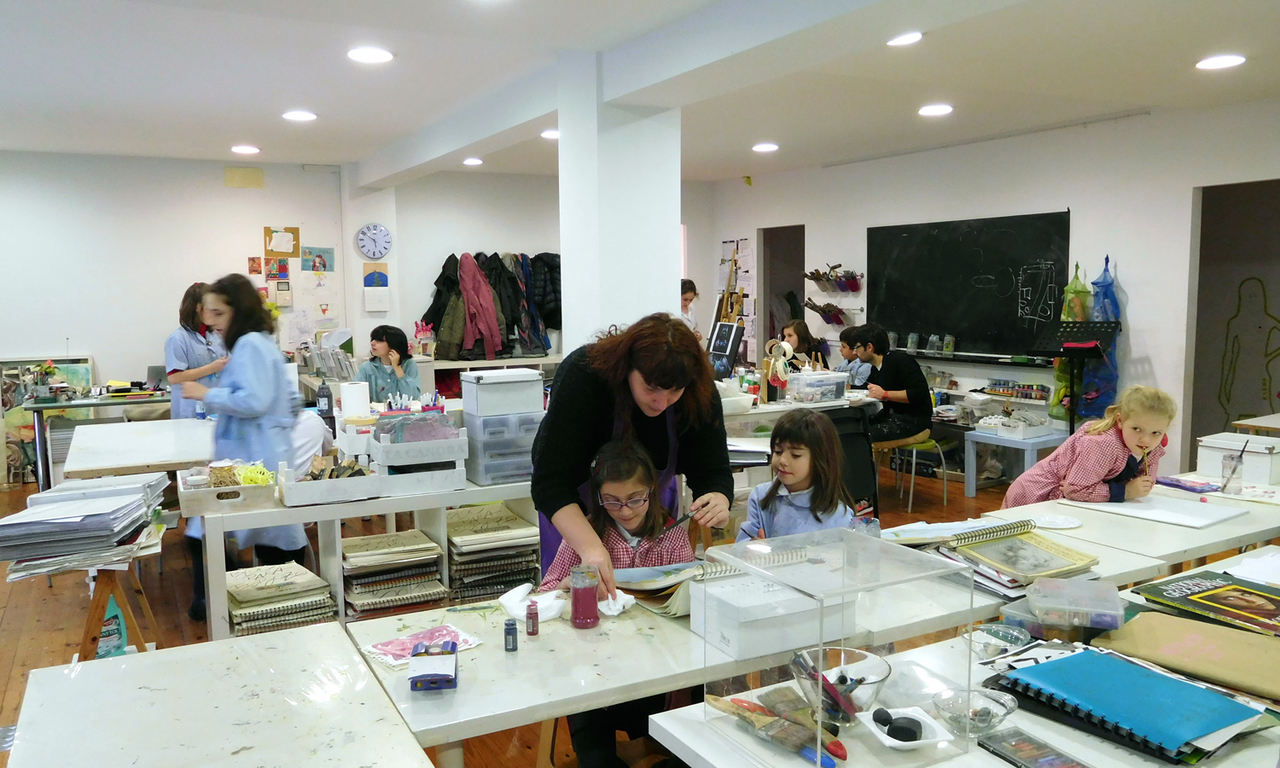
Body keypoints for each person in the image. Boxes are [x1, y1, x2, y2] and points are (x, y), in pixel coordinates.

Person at [532, 313, 733, 599]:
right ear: (628, 367)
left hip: (648, 511)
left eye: (674, 391)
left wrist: (718, 499)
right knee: (574, 601)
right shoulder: (585, 375)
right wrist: (590, 547)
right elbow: (550, 484)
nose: (662, 402)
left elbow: (713, 471)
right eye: (651, 388)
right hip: (573, 512)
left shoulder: (696, 388)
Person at [538, 439, 694, 767]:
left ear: (652, 490)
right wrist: (568, 586)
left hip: (656, 673)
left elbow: (687, 598)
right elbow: (545, 594)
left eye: (635, 499)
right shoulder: (587, 536)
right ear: (598, 497)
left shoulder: (672, 534)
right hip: (593, 677)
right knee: (598, 760)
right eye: (612, 501)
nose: (625, 510)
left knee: (694, 749)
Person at [182, 274, 304, 619]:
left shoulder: (250, 344)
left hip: (256, 457)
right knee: (265, 534)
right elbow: (290, 400)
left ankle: (220, 600)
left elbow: (254, 400)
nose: (211, 322)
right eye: (208, 313)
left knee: (211, 532)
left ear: (239, 310)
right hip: (260, 453)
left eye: (219, 313)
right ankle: (238, 598)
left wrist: (207, 394)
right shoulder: (261, 342)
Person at [1001, 385, 1177, 508]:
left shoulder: (1154, 446)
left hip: (1066, 504)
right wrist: (1125, 491)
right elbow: (1076, 490)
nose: (1146, 440)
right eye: (1137, 429)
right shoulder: (1102, 443)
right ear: (1120, 421)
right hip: (1035, 496)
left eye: (1156, 433)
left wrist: (1134, 488)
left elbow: (1145, 484)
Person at [737, 409, 857, 540]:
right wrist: (751, 546)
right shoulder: (760, 496)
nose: (783, 461)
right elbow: (742, 544)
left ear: (820, 459)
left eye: (795, 455)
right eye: (778, 451)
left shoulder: (838, 517)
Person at [847, 322, 932, 442]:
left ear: (869, 347)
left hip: (914, 421)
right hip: (890, 416)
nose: (854, 352)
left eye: (856, 347)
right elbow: (866, 389)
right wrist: (846, 386)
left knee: (860, 438)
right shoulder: (876, 368)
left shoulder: (900, 361)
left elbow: (919, 394)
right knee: (852, 428)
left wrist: (885, 394)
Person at [165, 282, 228, 420]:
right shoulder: (178, 338)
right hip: (190, 410)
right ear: (198, 308)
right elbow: (174, 377)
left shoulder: (216, 334)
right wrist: (212, 368)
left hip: (216, 407)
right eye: (211, 308)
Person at [356, 325, 422, 403]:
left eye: (379, 340)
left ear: (393, 344)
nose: (372, 343)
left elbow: (413, 397)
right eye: (373, 339)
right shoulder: (367, 367)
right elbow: (356, 394)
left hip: (403, 410)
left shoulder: (409, 364)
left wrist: (397, 367)